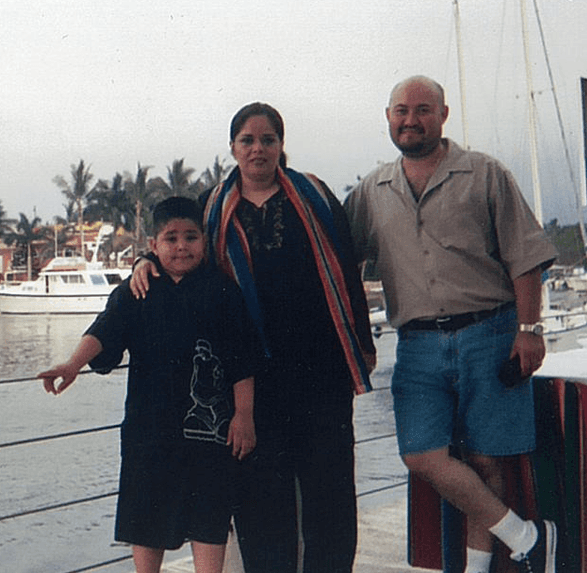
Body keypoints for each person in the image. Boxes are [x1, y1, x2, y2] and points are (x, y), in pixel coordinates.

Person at [130, 102, 377, 573]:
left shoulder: (316, 196)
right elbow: (177, 252)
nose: (258, 149)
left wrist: (362, 342)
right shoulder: (211, 207)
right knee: (261, 502)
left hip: (322, 374)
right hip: (249, 381)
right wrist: (143, 264)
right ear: (233, 148)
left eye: (268, 139)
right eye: (248, 140)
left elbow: (347, 271)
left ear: (281, 146)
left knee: (331, 498)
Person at [344, 75, 559, 573]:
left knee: (486, 460)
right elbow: (338, 261)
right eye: (401, 110)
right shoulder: (372, 191)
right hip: (417, 346)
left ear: (443, 115)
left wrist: (530, 330)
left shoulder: (485, 174)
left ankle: (480, 566)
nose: (411, 120)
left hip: (491, 333)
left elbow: (525, 257)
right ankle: (527, 537)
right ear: (388, 118)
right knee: (421, 455)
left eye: (422, 110)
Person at [38, 196, 261, 573]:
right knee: (145, 526)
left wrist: (244, 414)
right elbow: (105, 331)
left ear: (204, 243)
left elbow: (243, 359)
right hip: (149, 435)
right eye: (170, 238)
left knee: (208, 524)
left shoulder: (222, 291)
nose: (180, 246)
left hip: (208, 435)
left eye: (190, 237)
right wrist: (73, 364)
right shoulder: (135, 290)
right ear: (153, 245)